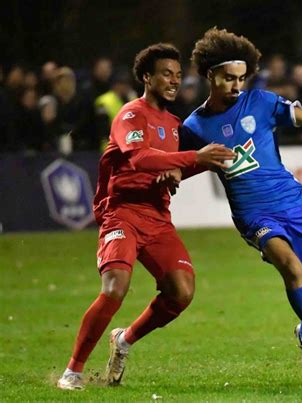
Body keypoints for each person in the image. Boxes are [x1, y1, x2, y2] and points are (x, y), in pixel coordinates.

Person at [56, 43, 235, 390]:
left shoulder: (173, 123)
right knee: (115, 287)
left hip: (157, 217)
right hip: (121, 212)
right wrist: (191, 159)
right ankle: (73, 371)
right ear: (147, 77)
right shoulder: (130, 115)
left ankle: (123, 340)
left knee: (181, 292)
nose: (174, 81)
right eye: (166, 74)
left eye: (178, 75)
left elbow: (175, 165)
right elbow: (139, 159)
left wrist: (184, 169)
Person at [180, 28, 302, 378]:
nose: (236, 85)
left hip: (291, 203)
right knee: (291, 268)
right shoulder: (194, 127)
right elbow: (182, 166)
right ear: (209, 74)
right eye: (229, 78)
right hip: (253, 213)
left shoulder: (261, 102)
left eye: (242, 78)